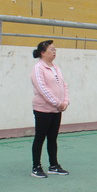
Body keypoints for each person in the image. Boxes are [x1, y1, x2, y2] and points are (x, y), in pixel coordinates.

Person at [30, 40, 70, 178]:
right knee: (40, 138)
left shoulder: (56, 67)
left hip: (56, 110)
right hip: (43, 110)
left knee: (53, 138)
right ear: (43, 53)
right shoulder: (38, 68)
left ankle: (54, 165)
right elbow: (42, 89)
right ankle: (36, 167)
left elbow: (64, 85)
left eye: (55, 50)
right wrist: (57, 103)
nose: (54, 52)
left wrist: (65, 102)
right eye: (51, 50)